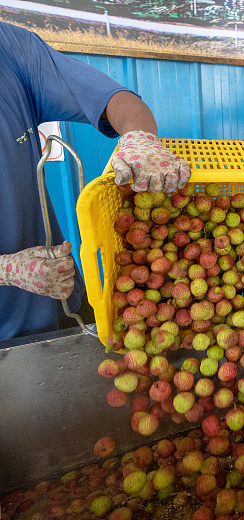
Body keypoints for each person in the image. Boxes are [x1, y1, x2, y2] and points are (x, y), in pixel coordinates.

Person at [0, 22, 190, 342]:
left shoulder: (10, 47)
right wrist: (4, 270)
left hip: (61, 298)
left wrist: (139, 137)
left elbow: (112, 98)